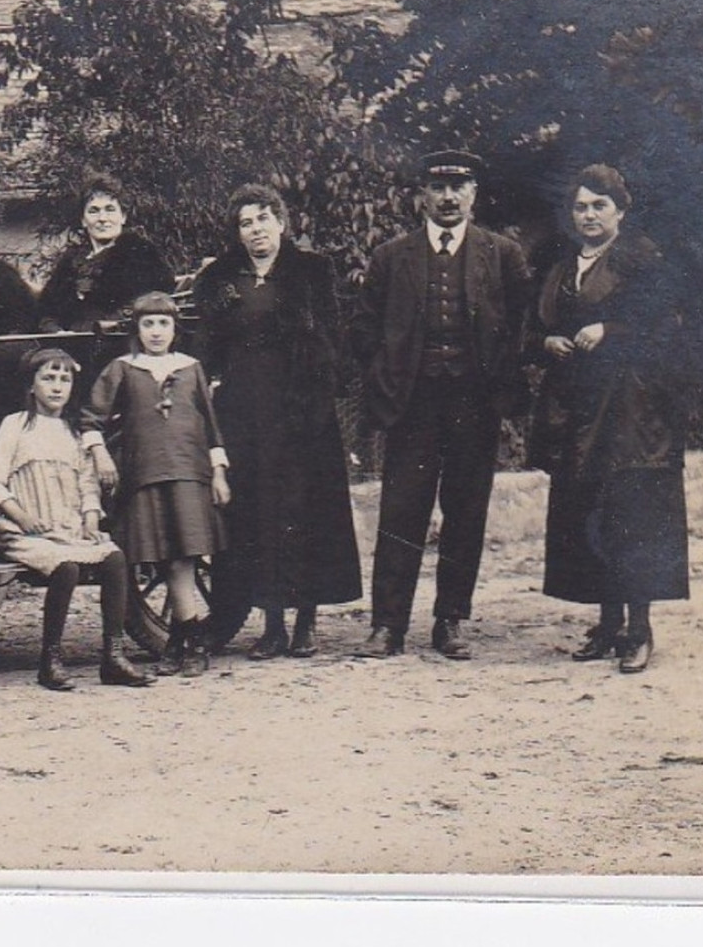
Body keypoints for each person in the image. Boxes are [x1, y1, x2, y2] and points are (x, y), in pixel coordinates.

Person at [350, 149, 532, 660]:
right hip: (413, 405)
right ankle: (387, 625)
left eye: (459, 187)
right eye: (438, 187)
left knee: (466, 512)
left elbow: (522, 325)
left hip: (476, 404)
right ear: (422, 196)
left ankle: (451, 620)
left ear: (474, 195)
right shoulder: (392, 257)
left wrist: (502, 382)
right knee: (401, 512)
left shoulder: (501, 254)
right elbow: (364, 328)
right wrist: (388, 374)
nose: (448, 197)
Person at [529, 165, 689, 673]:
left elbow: (668, 327)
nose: (590, 215)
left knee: (632, 514)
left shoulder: (643, 260)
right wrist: (545, 342)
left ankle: (638, 630)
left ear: (621, 210)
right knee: (591, 511)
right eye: (581, 206)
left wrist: (611, 330)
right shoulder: (561, 265)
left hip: (631, 413)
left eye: (600, 205)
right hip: (578, 408)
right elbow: (539, 323)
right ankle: (607, 623)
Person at [194, 184, 361, 658]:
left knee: (304, 512)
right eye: (246, 223)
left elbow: (332, 337)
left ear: (282, 223)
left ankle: (306, 619)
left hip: (302, 409)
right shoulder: (221, 277)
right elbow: (207, 345)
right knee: (255, 516)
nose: (256, 230)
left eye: (263, 219)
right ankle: (271, 624)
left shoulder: (312, 270)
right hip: (245, 413)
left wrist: (315, 392)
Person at [0, 348, 154, 690]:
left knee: (115, 558)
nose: (57, 387)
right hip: (26, 532)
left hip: (68, 528)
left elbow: (88, 485)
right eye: (48, 378)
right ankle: (51, 660)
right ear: (32, 386)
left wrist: (90, 521)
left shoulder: (73, 432)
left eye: (65, 379)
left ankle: (114, 656)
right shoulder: (15, 425)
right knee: (67, 568)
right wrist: (21, 516)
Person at [81, 291, 230, 677]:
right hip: (144, 473)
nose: (157, 332)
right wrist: (100, 455)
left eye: (164, 323)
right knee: (165, 555)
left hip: (189, 471)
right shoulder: (122, 368)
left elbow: (210, 425)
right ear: (138, 329)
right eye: (148, 324)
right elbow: (91, 418)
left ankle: (189, 643)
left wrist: (219, 472)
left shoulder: (191, 368)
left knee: (184, 555)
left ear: (175, 328)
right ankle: (186, 640)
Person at [37, 174, 174, 333]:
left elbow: (147, 312)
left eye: (110, 210)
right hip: (67, 343)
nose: (102, 218)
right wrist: (57, 332)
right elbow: (47, 312)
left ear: (123, 217)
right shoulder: (70, 262)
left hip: (118, 343)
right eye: (94, 211)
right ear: (83, 220)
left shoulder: (142, 256)